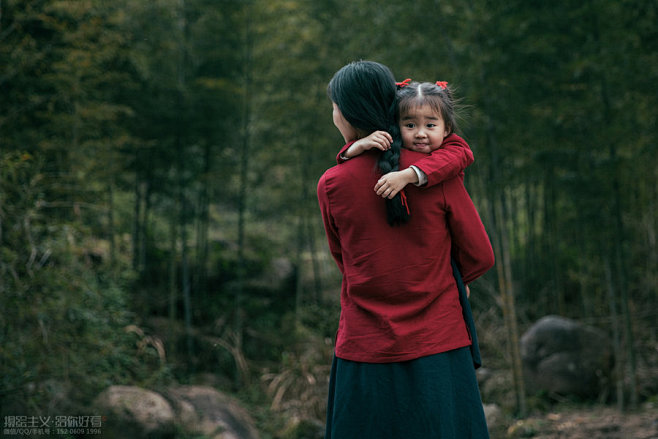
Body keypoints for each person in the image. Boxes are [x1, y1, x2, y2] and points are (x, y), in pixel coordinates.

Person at [318, 60, 495, 438]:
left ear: (346, 112)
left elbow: (344, 261)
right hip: (438, 340)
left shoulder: (332, 183)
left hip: (364, 347)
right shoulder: (436, 172)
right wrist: (453, 280)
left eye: (334, 105)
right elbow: (480, 255)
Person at [337, 80, 472, 202]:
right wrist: (358, 145)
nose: (420, 134)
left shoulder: (456, 148)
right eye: (410, 125)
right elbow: (356, 159)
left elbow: (447, 161)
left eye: (430, 125)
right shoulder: (393, 143)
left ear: (446, 129)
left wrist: (406, 176)